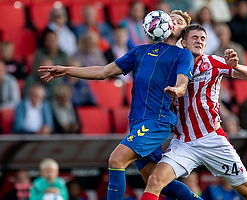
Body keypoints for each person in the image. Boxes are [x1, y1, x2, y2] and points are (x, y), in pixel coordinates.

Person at [39, 10, 204, 200]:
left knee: (116, 160)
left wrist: (178, 90)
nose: (174, 22)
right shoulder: (140, 51)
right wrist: (67, 70)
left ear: (184, 32)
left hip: (157, 121)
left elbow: (182, 83)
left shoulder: (183, 55)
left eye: (180, 22)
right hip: (137, 121)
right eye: (171, 19)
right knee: (155, 179)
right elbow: (103, 71)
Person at [139, 24, 247, 200]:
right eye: (194, 37)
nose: (199, 41)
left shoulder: (213, 62)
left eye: (202, 39)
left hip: (212, 139)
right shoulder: (172, 65)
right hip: (183, 142)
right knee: (154, 181)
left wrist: (237, 66)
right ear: (183, 42)